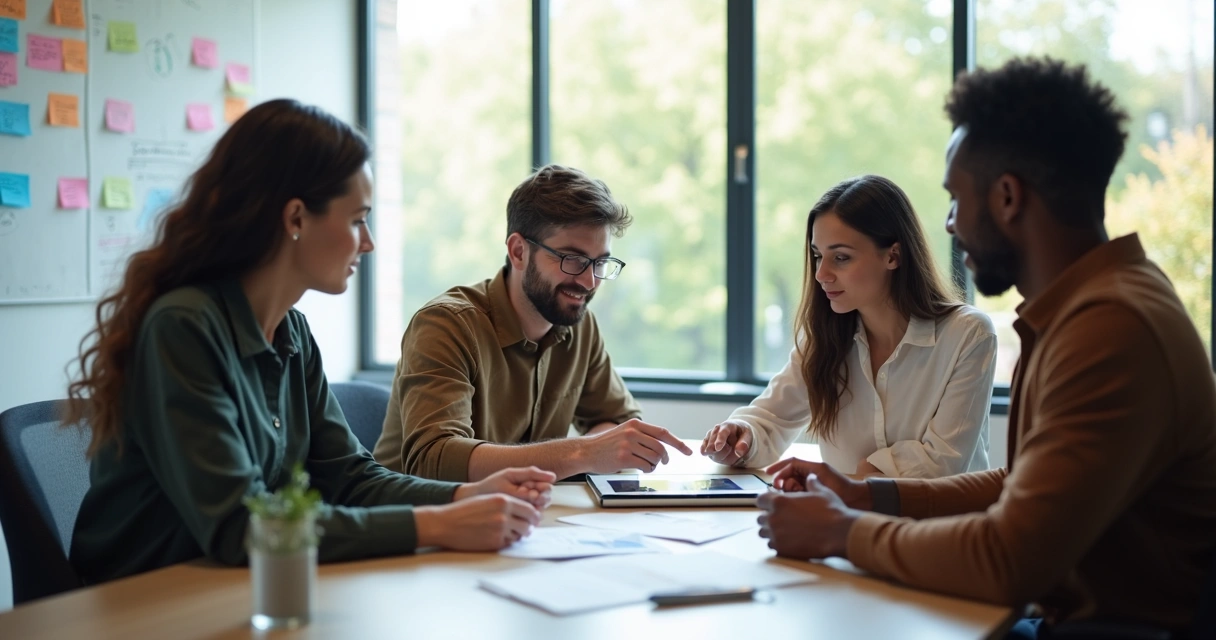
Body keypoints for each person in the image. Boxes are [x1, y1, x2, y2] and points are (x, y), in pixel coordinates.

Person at [756, 57, 1216, 634]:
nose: (949, 223)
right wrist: (866, 495)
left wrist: (841, 531)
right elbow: (1020, 481)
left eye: (955, 197)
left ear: (1006, 197)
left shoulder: (1111, 328)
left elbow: (1007, 559)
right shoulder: (1089, 306)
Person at [64, 99, 555, 586]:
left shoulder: (291, 330)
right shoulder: (184, 326)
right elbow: (242, 526)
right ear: (296, 218)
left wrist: (462, 497)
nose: (368, 242)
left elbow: (349, 479)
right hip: (145, 600)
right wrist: (438, 525)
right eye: (357, 218)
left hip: (239, 585)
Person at [373, 164, 692, 482]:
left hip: (528, 519)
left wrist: (604, 447)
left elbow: (619, 423)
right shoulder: (446, 326)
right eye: (574, 260)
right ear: (518, 251)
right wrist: (584, 452)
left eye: (600, 263)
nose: (590, 281)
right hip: (420, 523)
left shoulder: (579, 324)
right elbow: (434, 460)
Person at [701, 174, 996, 478]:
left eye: (841, 257)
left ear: (893, 256)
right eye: (818, 256)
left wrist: (854, 477)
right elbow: (771, 417)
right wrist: (741, 436)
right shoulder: (824, 337)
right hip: (846, 521)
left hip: (940, 524)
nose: (821, 274)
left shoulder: (968, 335)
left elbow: (942, 462)